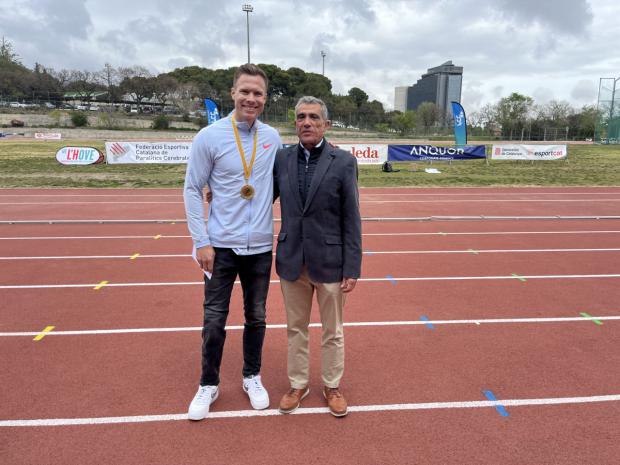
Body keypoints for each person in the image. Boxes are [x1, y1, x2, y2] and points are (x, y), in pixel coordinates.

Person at [183, 64, 281, 421]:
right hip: (219, 248)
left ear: (265, 99)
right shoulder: (209, 136)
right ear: (233, 93)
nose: (251, 99)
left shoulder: (272, 138)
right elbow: (193, 189)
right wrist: (201, 241)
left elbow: (276, 185)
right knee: (214, 319)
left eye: (258, 93)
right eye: (245, 91)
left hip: (259, 248)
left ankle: (251, 376)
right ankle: (208, 383)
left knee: (257, 317)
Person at [274, 96, 362, 417]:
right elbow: (259, 199)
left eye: (313, 117)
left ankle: (331, 384)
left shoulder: (343, 161)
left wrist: (352, 265)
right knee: (295, 329)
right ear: (295, 123)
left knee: (332, 330)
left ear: (325, 124)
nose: (306, 122)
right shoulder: (281, 159)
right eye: (300, 117)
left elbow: (352, 217)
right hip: (291, 260)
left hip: (330, 262)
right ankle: (298, 384)